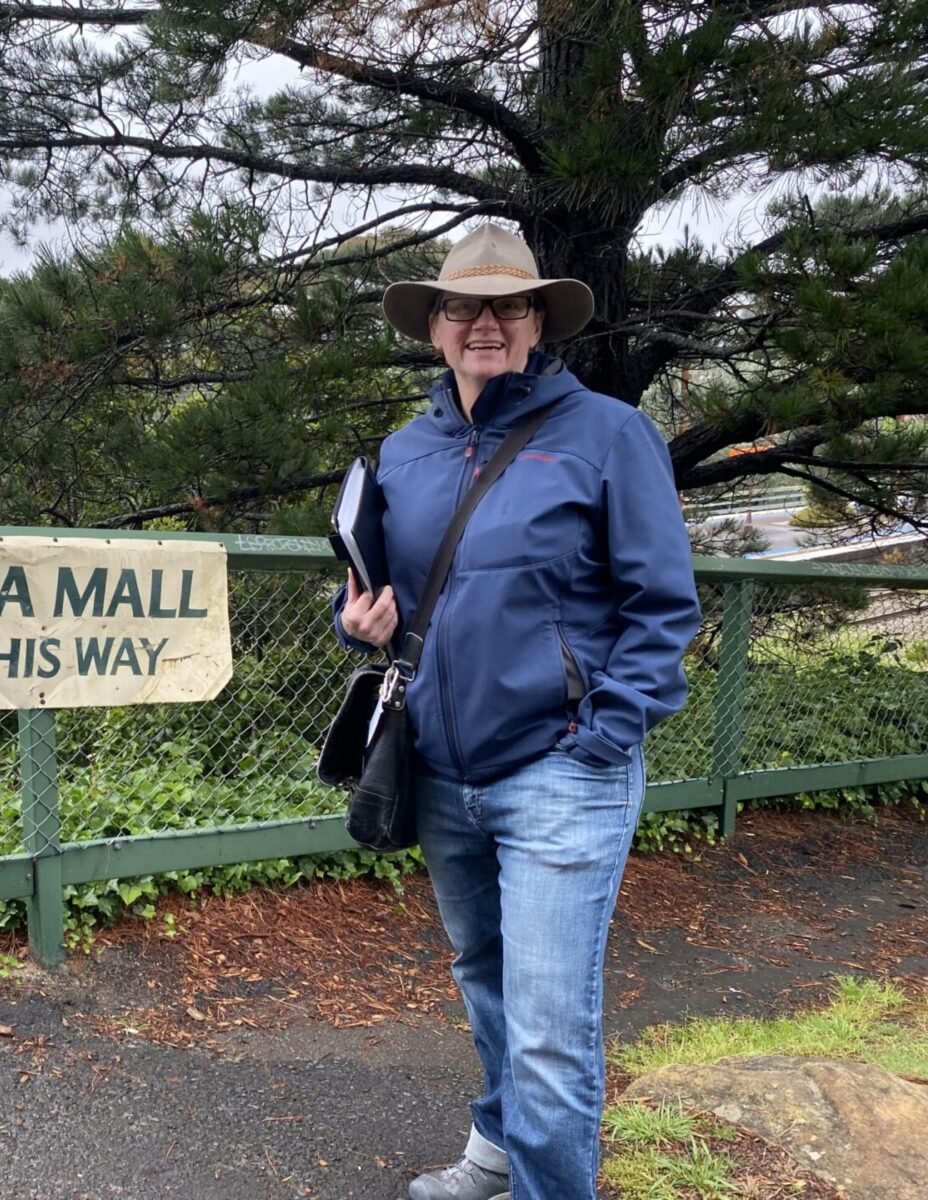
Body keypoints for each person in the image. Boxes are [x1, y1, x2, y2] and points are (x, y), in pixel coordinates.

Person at [333, 223, 700, 1200]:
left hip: (560, 768)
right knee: (485, 977)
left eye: (508, 306)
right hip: (440, 771)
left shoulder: (608, 434)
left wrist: (604, 734)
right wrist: (356, 621)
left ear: (539, 321)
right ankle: (498, 1150)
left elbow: (663, 605)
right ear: (435, 326)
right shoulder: (404, 452)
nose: (484, 324)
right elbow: (376, 592)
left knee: (548, 1024)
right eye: (463, 307)